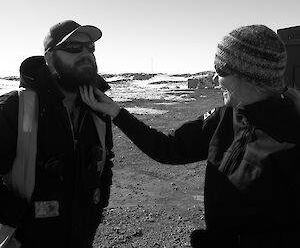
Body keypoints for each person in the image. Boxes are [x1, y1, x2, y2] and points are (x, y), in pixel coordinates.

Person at [80, 25, 300, 248]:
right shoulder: (224, 119)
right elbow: (168, 148)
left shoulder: (291, 137)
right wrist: (117, 113)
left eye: (222, 70)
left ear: (250, 75)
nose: (215, 78)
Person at [0, 20, 114, 248]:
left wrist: (96, 206)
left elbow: (105, 162)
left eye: (90, 48)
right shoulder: (15, 108)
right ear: (50, 58)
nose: (87, 54)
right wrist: (17, 220)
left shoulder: (98, 110)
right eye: (73, 47)